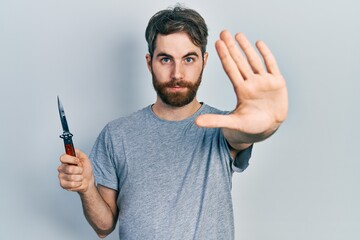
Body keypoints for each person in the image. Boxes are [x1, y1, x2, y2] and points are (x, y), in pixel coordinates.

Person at [57, 5, 288, 240]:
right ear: (149, 63)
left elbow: (244, 135)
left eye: (189, 59)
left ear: (204, 61)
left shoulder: (223, 127)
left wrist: (265, 128)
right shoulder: (116, 134)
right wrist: (86, 188)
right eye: (166, 59)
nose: (177, 73)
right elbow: (103, 226)